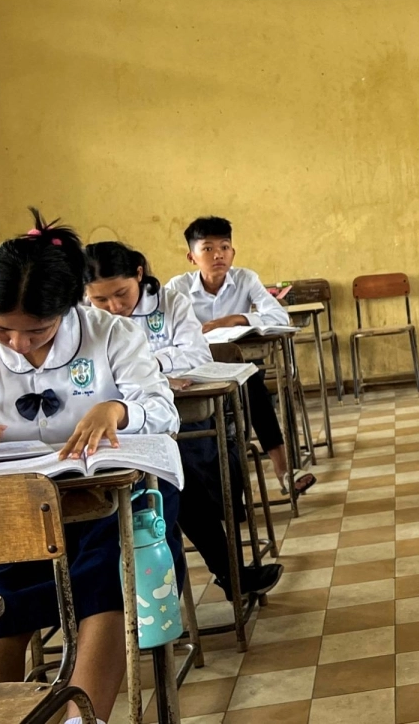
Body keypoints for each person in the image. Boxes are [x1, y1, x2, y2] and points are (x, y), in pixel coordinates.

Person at [0, 211, 180, 724]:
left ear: (69, 309)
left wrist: (118, 410)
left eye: (37, 330)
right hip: (7, 501)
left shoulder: (110, 335)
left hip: (106, 492)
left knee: (109, 567)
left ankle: (81, 718)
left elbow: (162, 409)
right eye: (2, 329)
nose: (19, 344)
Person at [85, 241, 283, 597]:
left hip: (170, 420)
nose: (114, 307)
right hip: (109, 434)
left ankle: (214, 579)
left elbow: (195, 352)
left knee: (180, 474)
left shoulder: (169, 301)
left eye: (121, 293)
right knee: (170, 481)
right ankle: (217, 577)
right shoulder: (79, 320)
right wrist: (150, 370)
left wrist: (145, 369)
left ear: (139, 275)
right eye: (101, 300)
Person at [165, 216, 315, 497]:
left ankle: (284, 471)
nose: (218, 254)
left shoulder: (245, 278)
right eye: (207, 248)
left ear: (233, 252)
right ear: (191, 256)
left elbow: (278, 316)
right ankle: (217, 484)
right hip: (195, 373)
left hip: (239, 367)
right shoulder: (177, 288)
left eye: (224, 247)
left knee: (252, 382)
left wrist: (234, 319)